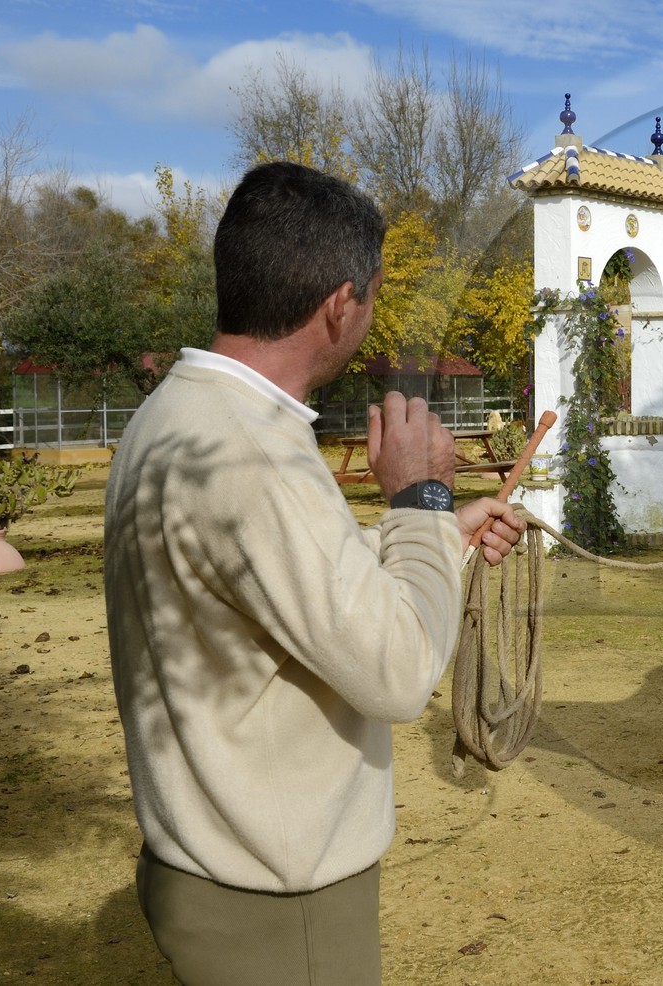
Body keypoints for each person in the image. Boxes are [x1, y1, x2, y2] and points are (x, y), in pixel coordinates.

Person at [104, 160, 524, 985]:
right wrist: (421, 494)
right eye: (370, 296)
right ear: (341, 303)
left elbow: (274, 588)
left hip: (210, 869)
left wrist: (440, 533)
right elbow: (399, 673)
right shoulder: (255, 457)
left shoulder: (183, 416)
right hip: (279, 904)